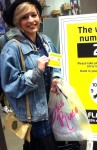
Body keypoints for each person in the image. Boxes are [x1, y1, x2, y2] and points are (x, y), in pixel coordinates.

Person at [0, 0, 61, 150]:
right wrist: (36, 71)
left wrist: (56, 77)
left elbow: (57, 63)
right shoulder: (12, 48)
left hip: (51, 107)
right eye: (24, 17)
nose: (31, 20)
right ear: (17, 21)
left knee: (34, 145)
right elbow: (10, 85)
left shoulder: (46, 40)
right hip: (34, 115)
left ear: (39, 16)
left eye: (34, 15)